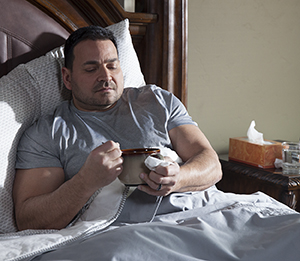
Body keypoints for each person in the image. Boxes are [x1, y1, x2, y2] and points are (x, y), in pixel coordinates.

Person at [13, 25, 222, 231]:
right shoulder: (48, 133)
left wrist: (178, 179)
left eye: (112, 66)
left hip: (197, 215)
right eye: (91, 69)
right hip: (124, 233)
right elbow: (29, 220)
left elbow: (212, 165)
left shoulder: (158, 101)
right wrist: (85, 182)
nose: (105, 76)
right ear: (67, 78)